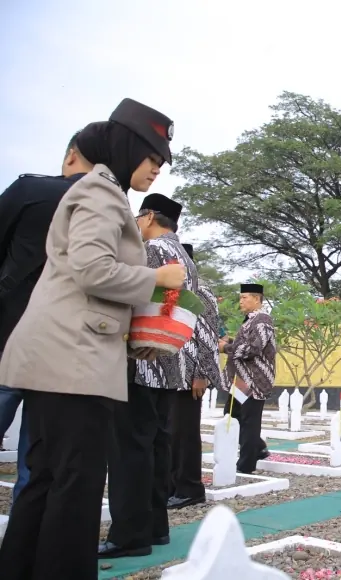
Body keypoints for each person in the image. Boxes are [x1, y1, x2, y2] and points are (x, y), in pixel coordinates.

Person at [0, 98, 185, 580]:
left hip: (59, 356)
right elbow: (92, 269)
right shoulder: (102, 195)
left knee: (45, 478)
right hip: (73, 360)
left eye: (161, 166)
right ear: (128, 148)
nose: (155, 173)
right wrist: (157, 278)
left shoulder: (101, 193)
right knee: (75, 484)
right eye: (152, 161)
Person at [100, 192, 198, 559]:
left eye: (139, 219)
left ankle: (129, 535)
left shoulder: (153, 250)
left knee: (129, 451)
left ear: (149, 216)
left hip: (141, 360)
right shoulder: (184, 254)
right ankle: (156, 527)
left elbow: (135, 296)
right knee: (156, 448)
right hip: (169, 364)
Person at [0, 131, 93, 504]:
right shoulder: (112, 212)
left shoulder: (31, 191)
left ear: (72, 155)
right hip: (62, 350)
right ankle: (24, 543)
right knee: (36, 465)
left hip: (9, 334)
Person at [167, 244, 222, 510]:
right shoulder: (169, 291)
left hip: (190, 376)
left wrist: (202, 374)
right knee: (168, 434)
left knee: (184, 433)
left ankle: (190, 487)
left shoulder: (201, 292)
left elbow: (209, 338)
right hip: (167, 374)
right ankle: (171, 484)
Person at [219, 283, 277, 473]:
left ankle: (246, 465)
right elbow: (246, 344)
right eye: (241, 297)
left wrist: (227, 348)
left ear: (257, 299)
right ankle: (257, 447)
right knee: (232, 414)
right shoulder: (251, 320)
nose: (240, 301)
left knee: (249, 420)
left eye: (245, 297)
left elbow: (254, 348)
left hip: (255, 381)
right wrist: (232, 343)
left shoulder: (262, 320)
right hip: (244, 380)